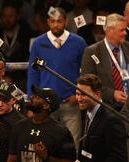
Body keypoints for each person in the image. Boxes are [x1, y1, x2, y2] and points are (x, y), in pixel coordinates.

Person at [27, 7, 87, 150]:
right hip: (45, 105)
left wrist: (78, 94)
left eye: (59, 21)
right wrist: (31, 100)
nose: (56, 25)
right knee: (46, 140)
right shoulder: (38, 43)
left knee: (74, 142)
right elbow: (33, 72)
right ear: (48, 22)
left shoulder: (78, 42)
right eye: (53, 21)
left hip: (70, 102)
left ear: (65, 21)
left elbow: (86, 72)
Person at [6, 85, 76, 162]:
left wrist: (47, 157)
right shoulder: (19, 127)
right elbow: (12, 159)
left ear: (46, 105)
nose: (32, 97)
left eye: (37, 97)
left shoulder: (61, 132)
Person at [68, 74, 129, 162]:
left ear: (98, 94)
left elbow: (119, 159)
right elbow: (86, 149)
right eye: (77, 94)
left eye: (83, 94)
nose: (79, 98)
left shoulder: (111, 120)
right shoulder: (87, 111)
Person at [81, 13, 129, 111]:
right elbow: (87, 83)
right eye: (122, 30)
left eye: (125, 29)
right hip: (105, 109)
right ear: (110, 31)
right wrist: (112, 94)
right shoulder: (92, 51)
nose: (125, 33)